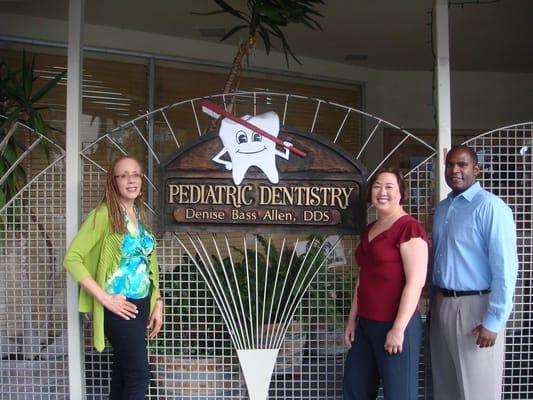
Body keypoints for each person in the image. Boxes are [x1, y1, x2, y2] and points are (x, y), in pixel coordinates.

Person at [64, 156, 163, 400]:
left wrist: (157, 301)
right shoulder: (104, 215)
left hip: (141, 304)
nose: (131, 180)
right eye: (123, 175)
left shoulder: (139, 214)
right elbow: (72, 259)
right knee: (139, 374)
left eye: (135, 174)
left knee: (124, 372)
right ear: (114, 182)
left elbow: (149, 263)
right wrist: (105, 299)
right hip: (118, 306)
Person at [430, 145, 518, 400]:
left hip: (476, 309)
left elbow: (505, 268)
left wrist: (494, 320)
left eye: (462, 164)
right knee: (446, 389)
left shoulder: (491, 207)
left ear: (476, 169)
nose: (455, 170)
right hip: (442, 304)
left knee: (478, 392)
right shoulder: (443, 209)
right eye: (450, 165)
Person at [343, 167, 429, 400]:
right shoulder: (369, 230)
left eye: (389, 187)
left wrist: (398, 329)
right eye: (377, 186)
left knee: (399, 395)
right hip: (365, 326)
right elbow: (364, 277)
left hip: (396, 325)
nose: (382, 192)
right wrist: (352, 319)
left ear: (401, 193)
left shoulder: (409, 228)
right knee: (355, 390)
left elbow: (415, 282)